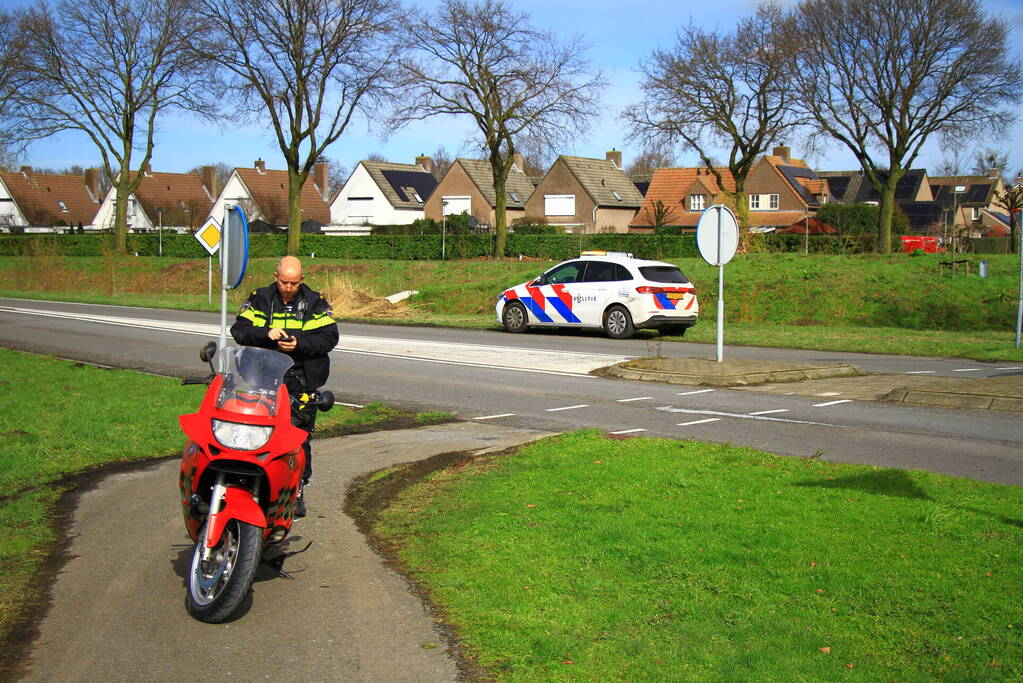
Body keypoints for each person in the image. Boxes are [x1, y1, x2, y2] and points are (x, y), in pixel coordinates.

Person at [230, 256, 339, 517]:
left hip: (300, 379)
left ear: (301, 280)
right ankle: (252, 482)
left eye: (294, 283)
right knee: (255, 432)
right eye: (284, 282)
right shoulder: (260, 299)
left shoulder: (314, 302)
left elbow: (329, 337)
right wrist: (266, 333)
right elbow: (240, 330)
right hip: (261, 376)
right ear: (276, 277)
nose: (288, 287)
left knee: (297, 436)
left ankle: (298, 489)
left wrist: (299, 344)